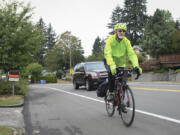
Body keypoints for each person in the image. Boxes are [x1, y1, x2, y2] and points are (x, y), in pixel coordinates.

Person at [104, 23, 142, 101]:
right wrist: (112, 65)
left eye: (124, 31)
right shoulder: (110, 40)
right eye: (120, 31)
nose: (122, 32)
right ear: (116, 32)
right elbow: (107, 54)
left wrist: (136, 66)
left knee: (123, 80)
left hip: (121, 63)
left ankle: (121, 100)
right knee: (111, 75)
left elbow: (132, 54)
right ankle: (111, 93)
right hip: (110, 61)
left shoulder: (126, 41)